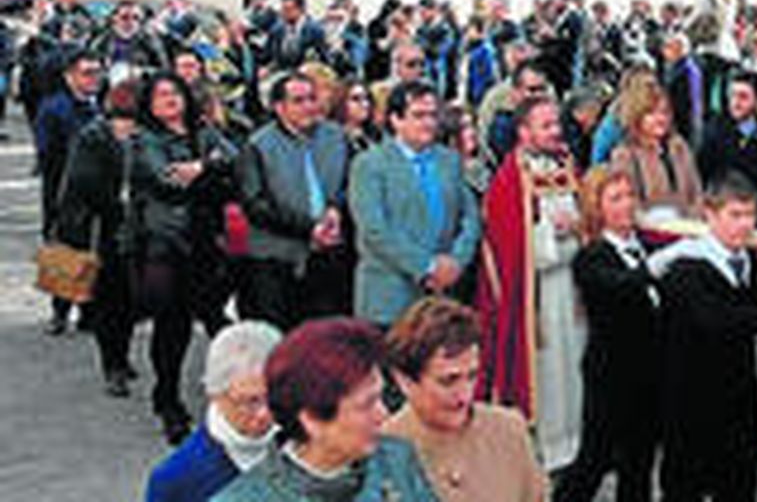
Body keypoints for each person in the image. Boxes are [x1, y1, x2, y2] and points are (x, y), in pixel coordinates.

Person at [650, 173, 757, 502]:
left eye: (750, 215)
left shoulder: (751, 264)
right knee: (684, 488)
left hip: (739, 397)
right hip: (691, 402)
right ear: (709, 215)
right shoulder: (685, 269)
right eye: (734, 215)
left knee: (739, 484)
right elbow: (720, 321)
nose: (745, 225)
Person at [214, 318, 439, 501]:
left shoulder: (396, 460)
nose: (384, 414)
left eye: (381, 397)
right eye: (366, 405)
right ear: (311, 420)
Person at [477, 95, 586, 469]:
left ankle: (578, 440)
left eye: (557, 123)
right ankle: (550, 449)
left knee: (575, 364)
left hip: (573, 287)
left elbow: (586, 212)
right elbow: (508, 243)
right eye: (546, 125)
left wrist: (581, 225)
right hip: (537, 294)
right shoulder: (510, 178)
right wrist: (550, 233)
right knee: (548, 371)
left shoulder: (567, 164)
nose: (556, 131)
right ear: (523, 132)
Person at [131, 71, 236, 443]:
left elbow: (236, 160)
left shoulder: (204, 131)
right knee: (172, 325)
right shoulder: (145, 140)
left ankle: (234, 394)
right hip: (167, 243)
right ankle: (168, 399)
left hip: (207, 241)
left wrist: (202, 168)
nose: (170, 99)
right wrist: (212, 172)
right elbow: (168, 182)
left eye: (175, 92)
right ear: (149, 104)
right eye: (160, 94)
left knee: (217, 318)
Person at [556, 168, 663, 502]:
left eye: (630, 195)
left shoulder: (645, 246)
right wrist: (657, 267)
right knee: (594, 460)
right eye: (616, 198)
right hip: (611, 375)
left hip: (648, 373)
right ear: (596, 208)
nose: (627, 204)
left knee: (639, 462)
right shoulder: (591, 257)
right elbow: (621, 285)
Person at [384, 297, 546, 501]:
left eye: (472, 376)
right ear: (405, 381)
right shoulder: (382, 453)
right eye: (448, 381)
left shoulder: (510, 430)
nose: (465, 395)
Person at [350, 81, 483, 328]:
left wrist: (456, 262)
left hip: (444, 296)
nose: (428, 123)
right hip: (390, 300)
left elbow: (470, 218)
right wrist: (427, 267)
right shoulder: (369, 164)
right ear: (395, 120)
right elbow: (374, 230)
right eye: (419, 116)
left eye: (433, 115)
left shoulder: (449, 160)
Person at [235, 72, 352, 330]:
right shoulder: (257, 145)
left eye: (312, 98)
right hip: (277, 260)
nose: (309, 106)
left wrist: (336, 209)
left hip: (328, 256)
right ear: (279, 107)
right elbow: (255, 204)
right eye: (298, 101)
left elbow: (349, 182)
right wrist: (309, 227)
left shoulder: (336, 137)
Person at [56, 80, 142, 396]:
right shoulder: (93, 138)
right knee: (110, 301)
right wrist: (118, 204)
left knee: (128, 302)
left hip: (136, 230)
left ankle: (120, 356)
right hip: (102, 230)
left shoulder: (146, 138)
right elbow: (83, 185)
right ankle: (113, 365)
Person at [146, 321, 283, 502]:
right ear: (215, 394)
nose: (265, 414)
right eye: (250, 402)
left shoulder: (303, 445)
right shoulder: (176, 478)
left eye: (274, 398)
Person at [33, 45, 104, 335]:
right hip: (63, 186)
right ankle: (60, 311)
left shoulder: (101, 104)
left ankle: (89, 310)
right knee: (64, 248)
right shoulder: (54, 108)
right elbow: (46, 152)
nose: (94, 79)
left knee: (95, 246)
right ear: (69, 76)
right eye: (87, 73)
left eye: (97, 73)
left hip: (99, 188)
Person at [696, 70, 757, 224]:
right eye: (732, 96)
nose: (736, 103)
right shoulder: (714, 131)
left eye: (743, 97)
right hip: (724, 212)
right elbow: (703, 173)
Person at [610, 82, 702, 219]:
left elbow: (696, 193)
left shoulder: (679, 147)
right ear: (637, 117)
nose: (661, 119)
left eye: (665, 112)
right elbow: (626, 204)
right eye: (651, 113)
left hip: (687, 224)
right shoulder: (625, 155)